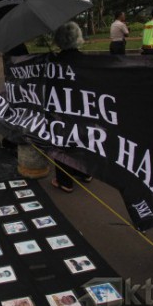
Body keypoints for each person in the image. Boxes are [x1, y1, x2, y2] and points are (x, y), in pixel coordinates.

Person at [50, 22, 93, 193]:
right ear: (78, 37)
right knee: (82, 140)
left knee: (63, 142)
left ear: (58, 40)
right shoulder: (87, 61)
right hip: (84, 109)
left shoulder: (53, 63)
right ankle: (84, 172)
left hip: (61, 110)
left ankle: (64, 181)